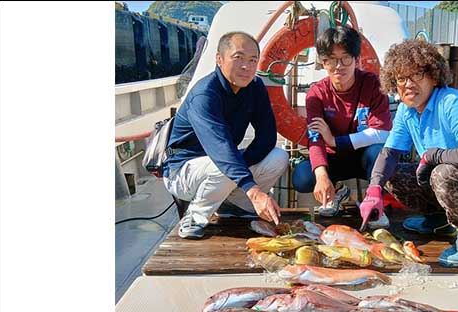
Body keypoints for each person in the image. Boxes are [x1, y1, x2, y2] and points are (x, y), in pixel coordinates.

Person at [358, 40, 458, 267]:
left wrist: (434, 156)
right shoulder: (406, 109)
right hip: (449, 180)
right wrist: (374, 190)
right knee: (392, 175)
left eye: (416, 75)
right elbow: (389, 153)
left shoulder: (452, 103)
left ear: (433, 76)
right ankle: (439, 220)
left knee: (442, 173)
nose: (408, 84)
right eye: (401, 79)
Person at [163, 31, 288, 239]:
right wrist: (254, 190)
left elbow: (266, 137)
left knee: (278, 157)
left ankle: (235, 206)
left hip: (218, 164)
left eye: (252, 60)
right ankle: (195, 216)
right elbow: (220, 148)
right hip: (182, 169)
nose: (246, 67)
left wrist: (240, 173)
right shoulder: (205, 94)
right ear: (219, 59)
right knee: (224, 166)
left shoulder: (255, 87)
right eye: (238, 58)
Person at [293, 26, 392, 227]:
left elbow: (382, 133)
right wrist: (321, 176)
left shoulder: (373, 85)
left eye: (346, 58)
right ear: (323, 62)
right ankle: (337, 191)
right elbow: (315, 138)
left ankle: (374, 200)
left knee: (381, 153)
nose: (339, 66)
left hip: (365, 157)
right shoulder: (316, 93)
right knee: (302, 177)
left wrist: (335, 140)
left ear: (357, 60)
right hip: (334, 160)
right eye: (331, 59)